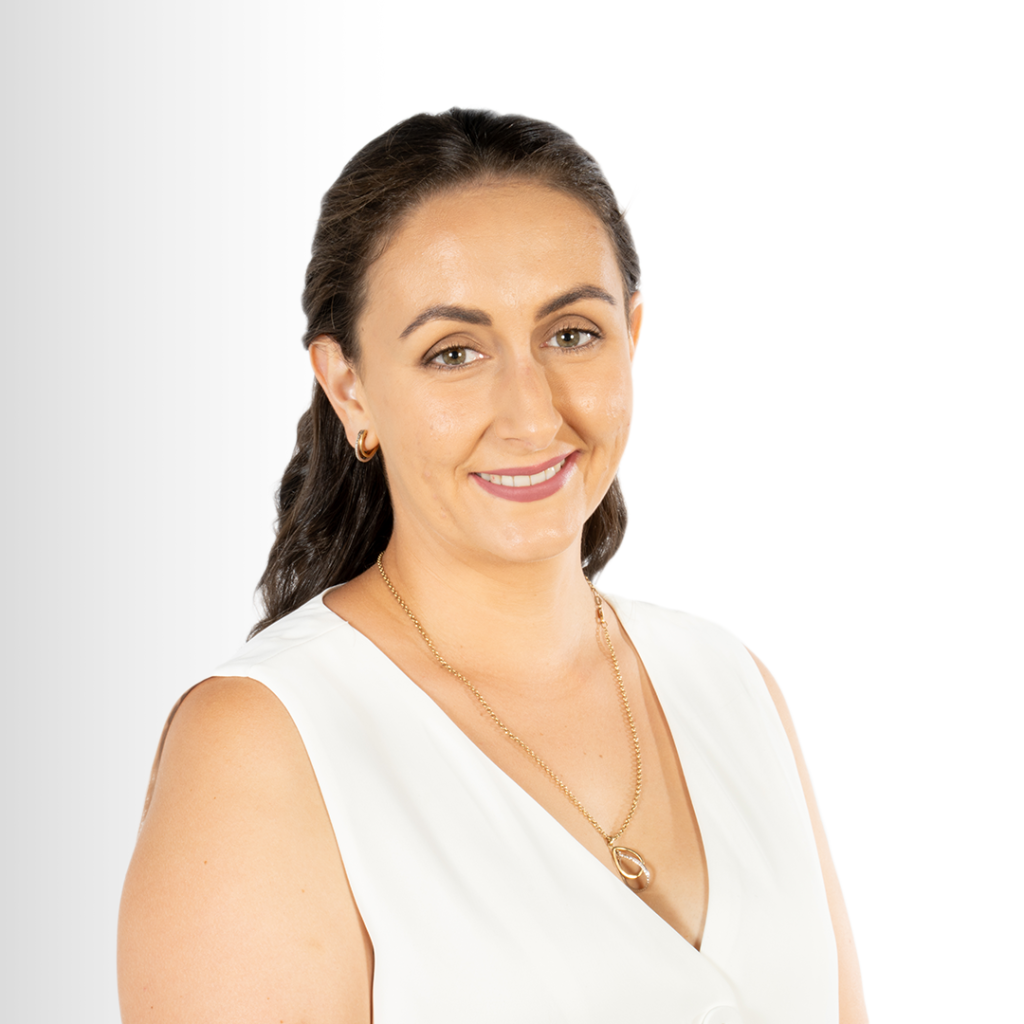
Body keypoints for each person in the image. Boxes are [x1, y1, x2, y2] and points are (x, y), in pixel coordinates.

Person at [117, 108, 867, 1024]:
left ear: (633, 335)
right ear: (348, 385)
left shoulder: (732, 685)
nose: (529, 412)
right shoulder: (265, 744)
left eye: (573, 334)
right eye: (455, 352)